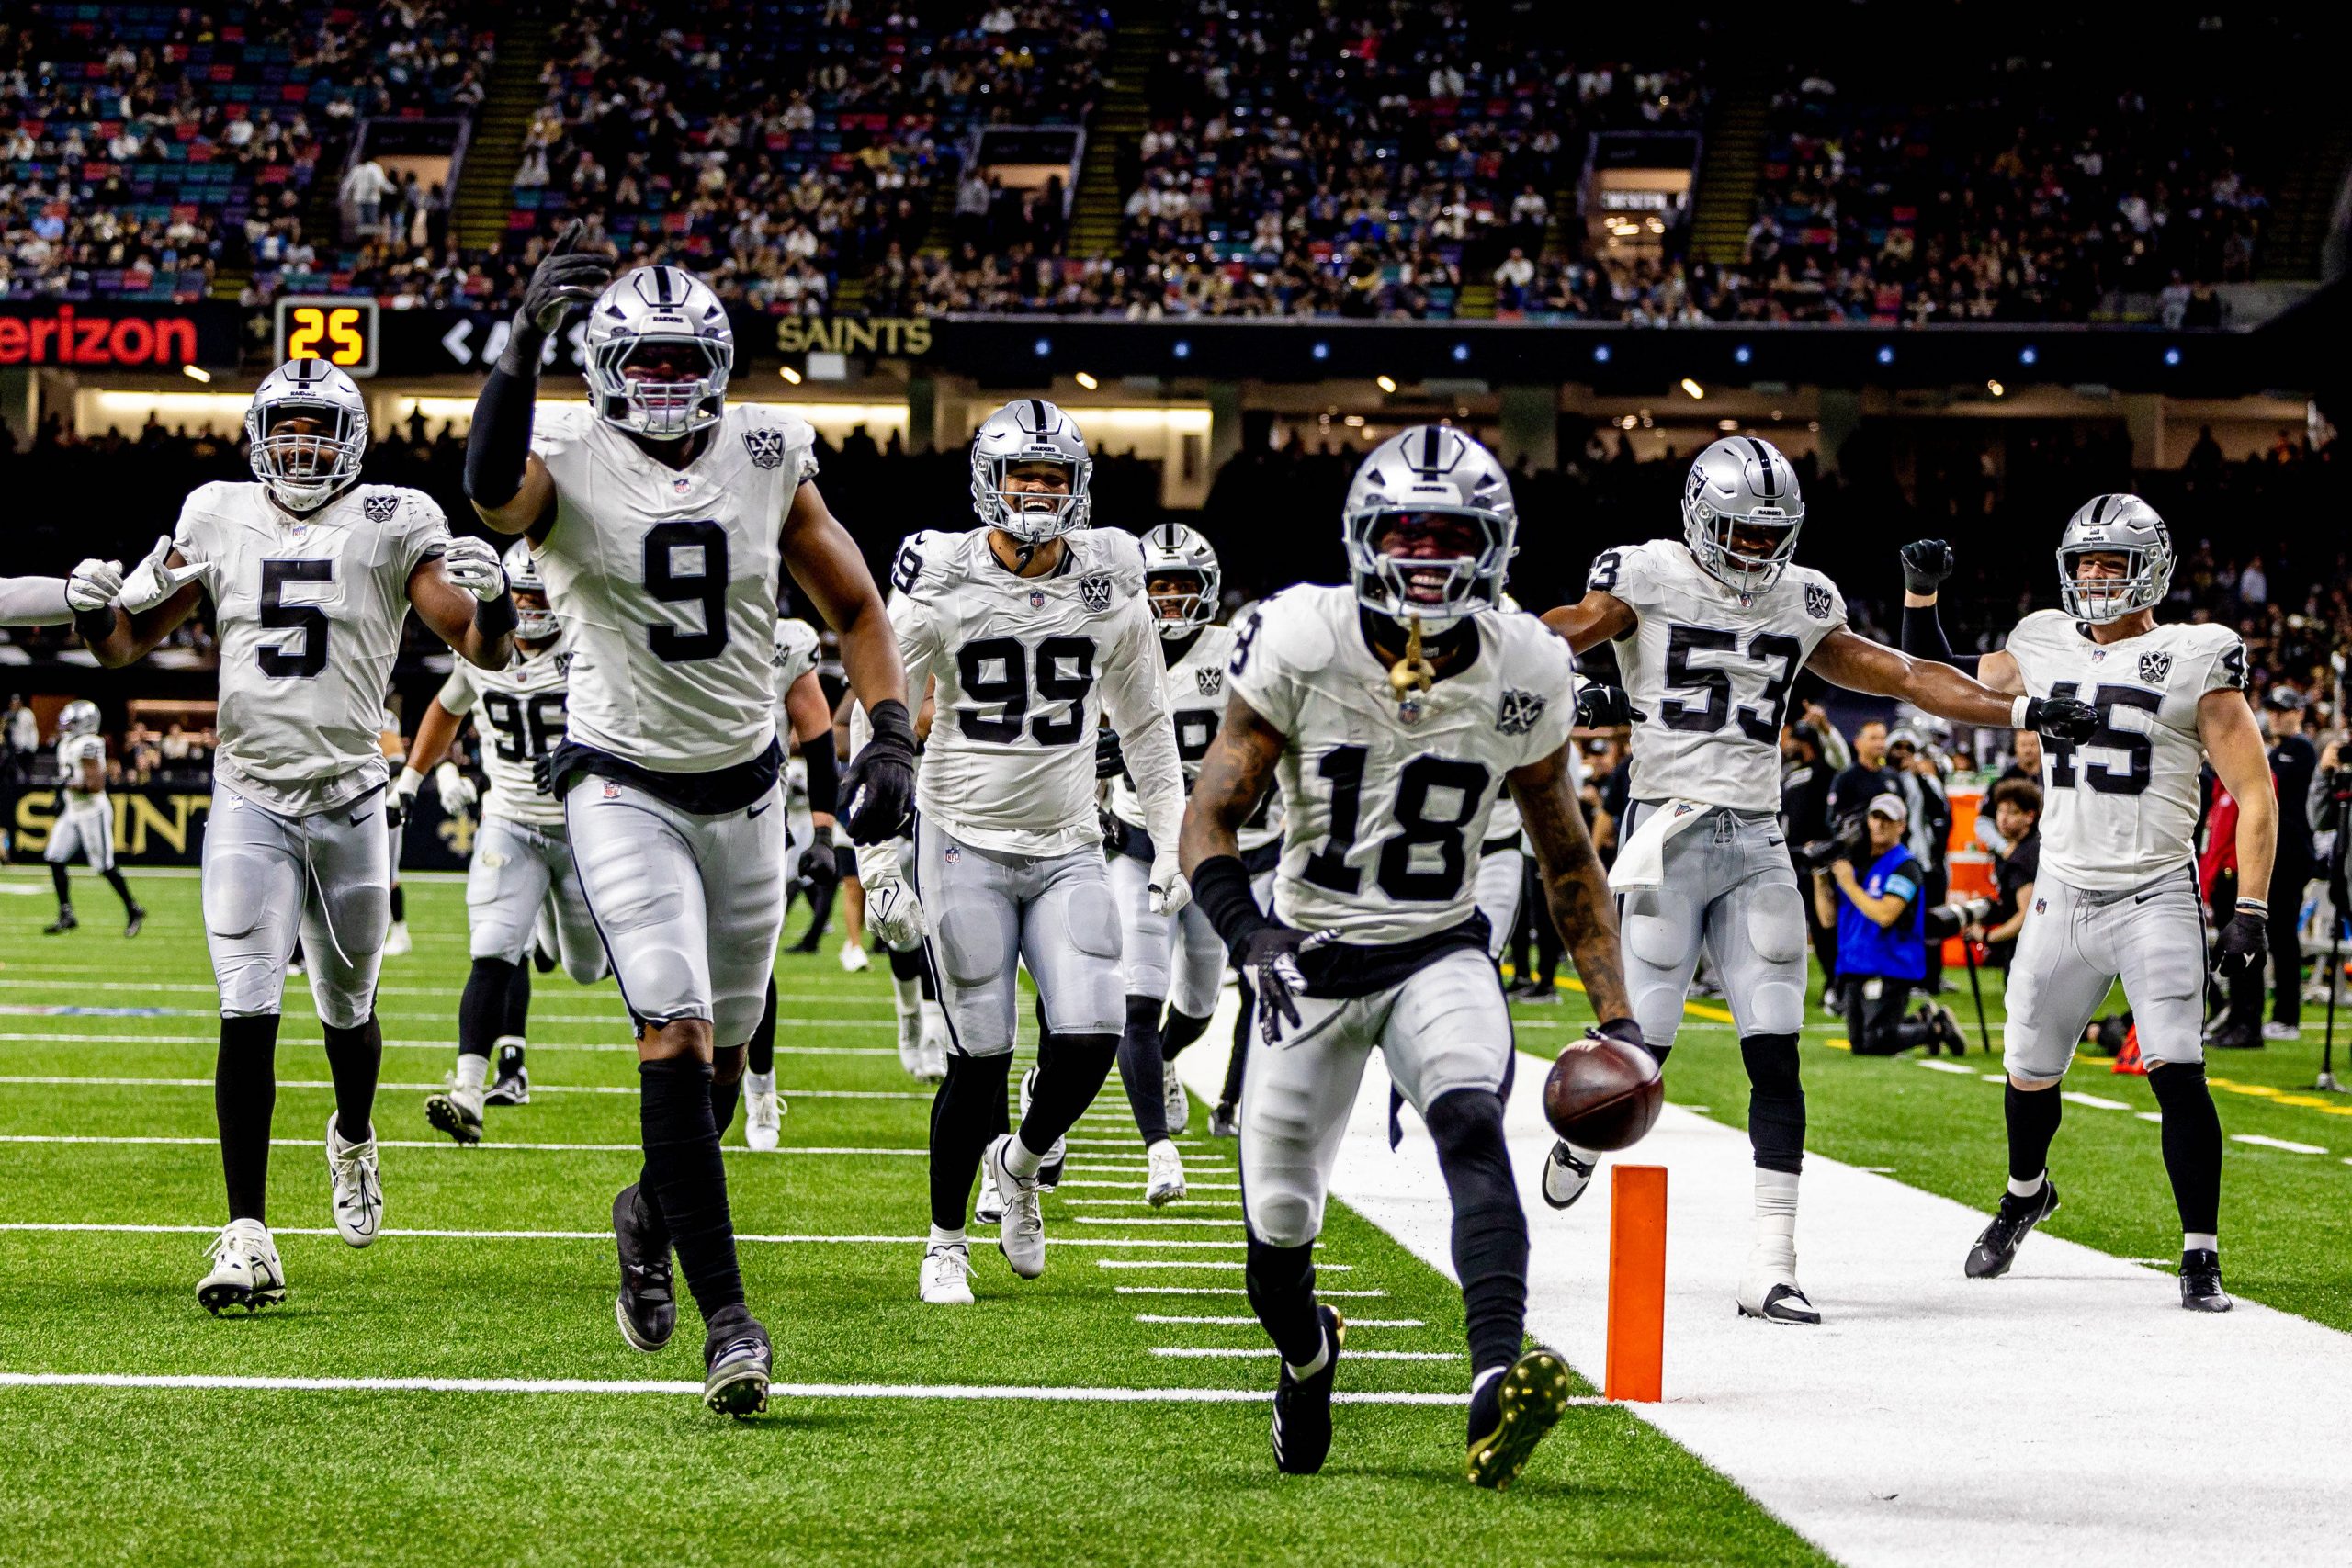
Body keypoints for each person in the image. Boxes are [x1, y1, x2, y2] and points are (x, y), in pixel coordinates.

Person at [464, 237, 916, 1413]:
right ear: (605, 365)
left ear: (714, 361)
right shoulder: (562, 453)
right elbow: (488, 488)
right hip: (619, 782)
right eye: (644, 361)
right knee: (674, 1031)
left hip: (749, 788)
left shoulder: (768, 450)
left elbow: (858, 604)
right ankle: (732, 1323)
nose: (664, 381)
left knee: (715, 1075)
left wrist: (890, 732)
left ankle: (647, 1213)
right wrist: (514, 353)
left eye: (683, 360)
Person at [1537, 438, 2096, 1325]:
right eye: (1740, 534)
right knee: (1644, 1050)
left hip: (1757, 836)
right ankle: (1583, 1137)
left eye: (1770, 536)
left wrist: (2024, 708)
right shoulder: (1645, 573)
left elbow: (1910, 676)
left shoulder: (1803, 600)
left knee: (1778, 1051)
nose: (1756, 552)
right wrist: (1535, 663)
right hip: (1666, 832)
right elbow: (1569, 622)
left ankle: (1774, 1262)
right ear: (1697, 516)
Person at [1180, 425, 1637, 1487]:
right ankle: (1307, 1357)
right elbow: (1210, 815)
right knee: (1277, 1237)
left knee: (1473, 1120)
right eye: (1408, 533)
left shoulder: (1526, 661)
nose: (1429, 558)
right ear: (1364, 537)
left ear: (1493, 544)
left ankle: (1492, 1378)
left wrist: (1617, 1019)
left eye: (1451, 535)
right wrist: (1250, 937)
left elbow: (1566, 856)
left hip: (1438, 948)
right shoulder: (1299, 635)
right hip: (1308, 957)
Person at [82, 356, 518, 1314]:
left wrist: (497, 601)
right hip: (248, 793)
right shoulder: (213, 512)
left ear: (352, 438)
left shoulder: (395, 516)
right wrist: (91, 610)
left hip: (351, 794)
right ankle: (246, 1231)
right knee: (246, 1007)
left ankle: (354, 1135)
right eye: (286, 427)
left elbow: (480, 645)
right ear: (257, 432)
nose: (301, 445)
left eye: (319, 428)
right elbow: (125, 643)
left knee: (347, 1005)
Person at [1897, 511, 2274, 1311]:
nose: (2099, 578)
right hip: (2063, 889)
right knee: (2028, 1068)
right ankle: (2025, 1192)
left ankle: (2200, 1255)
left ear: (2153, 567)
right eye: (2088, 563)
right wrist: (1922, 598)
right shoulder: (2042, 637)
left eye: (2116, 562)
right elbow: (1946, 675)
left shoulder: (2197, 651)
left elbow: (2255, 790)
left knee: (2178, 1068)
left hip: (2154, 893)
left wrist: (2252, 907)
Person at [861, 398, 1187, 1307]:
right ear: (989, 482)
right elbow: (879, 707)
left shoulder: (1110, 577)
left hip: (1067, 840)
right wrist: (878, 858)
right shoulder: (941, 573)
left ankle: (1025, 1160)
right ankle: (944, 1240)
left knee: (1089, 1033)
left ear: (1077, 488)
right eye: (1022, 477)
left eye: (1052, 478)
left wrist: (1171, 839)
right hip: (962, 840)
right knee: (981, 1055)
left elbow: (1147, 721)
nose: (1037, 494)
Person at [409, 541, 608, 1144]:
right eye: (518, 593)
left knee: (585, 966)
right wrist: (412, 778)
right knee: (493, 947)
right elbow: (445, 709)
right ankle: (469, 1090)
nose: (527, 605)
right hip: (510, 818)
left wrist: (586, 754)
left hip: (583, 826)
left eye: (537, 594)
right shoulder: (482, 647)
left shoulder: (591, 646)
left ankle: (546, 930)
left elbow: (633, 723)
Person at [1100, 523, 1253, 1206]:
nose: (1164, 598)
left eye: (1178, 584)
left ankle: (1164, 1058)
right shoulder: (1113, 644)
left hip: (1210, 848)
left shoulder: (1235, 652)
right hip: (1137, 843)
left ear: (1206, 590)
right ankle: (1158, 1151)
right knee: (1140, 996)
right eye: (1154, 584)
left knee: (1195, 1006)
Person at [1811, 793, 1962, 1055]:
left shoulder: (1905, 866)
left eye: (1888, 820)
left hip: (1890, 965)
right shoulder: (1856, 864)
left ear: (1902, 826)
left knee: (1876, 1040)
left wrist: (1848, 883)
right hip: (1855, 964)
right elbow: (1827, 919)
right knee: (1860, 1042)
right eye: (1876, 817)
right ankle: (1922, 1021)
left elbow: (1885, 915)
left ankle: (1936, 1027)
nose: (1880, 825)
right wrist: (1820, 878)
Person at [40, 699, 145, 937]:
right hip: (73, 811)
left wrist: (68, 784)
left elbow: (96, 785)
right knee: (55, 857)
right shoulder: (67, 744)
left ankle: (133, 909)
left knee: (104, 866)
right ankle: (66, 913)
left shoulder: (89, 744)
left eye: (72, 722)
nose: (66, 727)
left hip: (92, 812)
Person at [2254, 688, 2317, 1042]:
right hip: (2277, 853)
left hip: (2290, 855)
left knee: (2283, 938)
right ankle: (2279, 1014)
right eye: (2273, 710)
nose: (2277, 716)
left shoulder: (2301, 751)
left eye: (2284, 711)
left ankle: (2287, 1016)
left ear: (2299, 713)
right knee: (2276, 936)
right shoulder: (2278, 752)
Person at [1973, 778, 2041, 968]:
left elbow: (2027, 914)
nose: (2003, 818)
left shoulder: (2022, 857)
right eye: (2001, 810)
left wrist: (1989, 936)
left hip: (2029, 950)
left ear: (2029, 816)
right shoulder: (2029, 846)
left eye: (2013, 812)